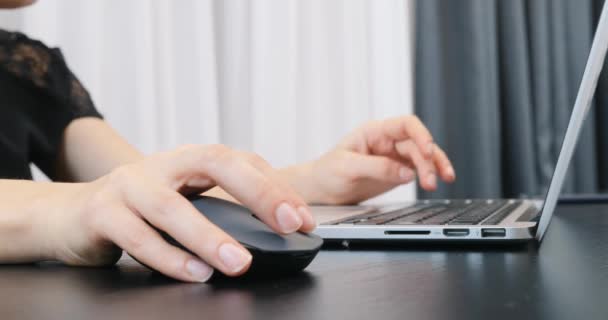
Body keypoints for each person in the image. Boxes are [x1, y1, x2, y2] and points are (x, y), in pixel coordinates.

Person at [0, 0, 455, 282]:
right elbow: (95, 202)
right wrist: (66, 213)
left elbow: (150, 194)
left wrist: (315, 180)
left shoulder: (29, 68)